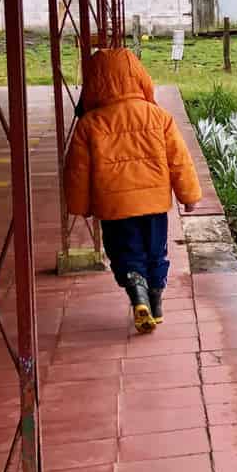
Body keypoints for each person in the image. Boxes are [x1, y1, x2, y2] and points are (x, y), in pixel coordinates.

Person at [63, 48, 202, 333]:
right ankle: (156, 301)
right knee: (156, 252)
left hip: (114, 207)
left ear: (93, 82)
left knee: (125, 252)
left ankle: (137, 292)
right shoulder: (158, 116)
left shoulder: (89, 124)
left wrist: (80, 206)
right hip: (153, 204)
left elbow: (77, 170)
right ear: (139, 77)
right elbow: (179, 159)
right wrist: (189, 197)